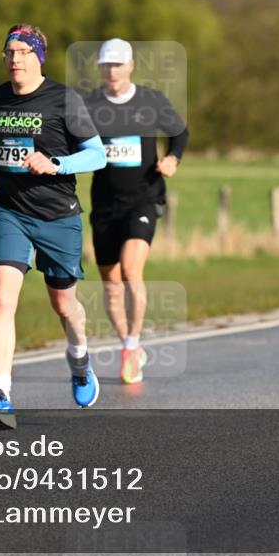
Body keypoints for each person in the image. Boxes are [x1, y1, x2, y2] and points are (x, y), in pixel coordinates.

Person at [0, 24, 106, 430]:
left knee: (64, 305)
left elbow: (97, 155)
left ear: (38, 57)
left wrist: (56, 164)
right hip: (9, 211)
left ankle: (80, 359)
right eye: (8, 52)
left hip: (58, 214)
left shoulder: (64, 99)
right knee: (1, 299)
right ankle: (1, 394)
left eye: (22, 52)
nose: (14, 59)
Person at [83, 39, 189, 384]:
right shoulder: (91, 105)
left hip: (143, 198)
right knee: (111, 286)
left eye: (117, 64)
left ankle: (131, 345)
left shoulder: (151, 100)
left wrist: (173, 158)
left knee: (130, 270)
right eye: (105, 65)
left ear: (130, 66)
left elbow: (179, 132)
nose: (111, 71)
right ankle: (128, 343)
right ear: (100, 69)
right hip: (104, 204)